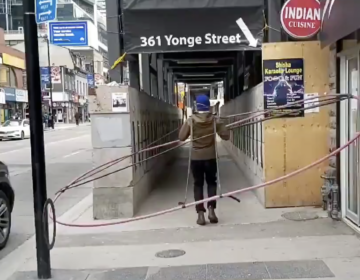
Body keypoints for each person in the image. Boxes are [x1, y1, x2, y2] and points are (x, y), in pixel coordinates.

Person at [179, 94, 230, 226]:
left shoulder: (191, 120)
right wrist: (221, 125)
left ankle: (200, 214)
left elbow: (181, 137)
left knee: (198, 184)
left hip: (196, 158)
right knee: (211, 183)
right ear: (208, 106)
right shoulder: (214, 120)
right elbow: (226, 136)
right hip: (211, 157)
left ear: (196, 106)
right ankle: (211, 210)